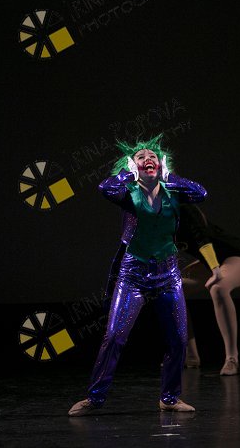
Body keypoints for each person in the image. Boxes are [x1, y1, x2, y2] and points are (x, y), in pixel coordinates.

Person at [68, 134, 207, 416]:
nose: (148, 159)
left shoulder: (172, 192)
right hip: (133, 275)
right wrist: (128, 174)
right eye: (141, 157)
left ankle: (170, 398)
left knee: (178, 339)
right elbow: (104, 188)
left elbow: (201, 193)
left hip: (168, 275)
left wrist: (169, 176)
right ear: (133, 165)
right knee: (114, 336)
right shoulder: (127, 193)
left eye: (153, 156)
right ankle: (94, 398)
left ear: (161, 163)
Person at [177, 203, 240, 375]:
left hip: (234, 255)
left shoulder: (183, 207)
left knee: (218, 288)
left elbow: (202, 237)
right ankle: (189, 355)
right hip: (210, 262)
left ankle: (232, 358)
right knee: (172, 290)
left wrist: (215, 269)